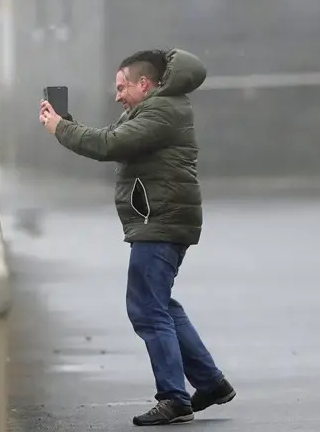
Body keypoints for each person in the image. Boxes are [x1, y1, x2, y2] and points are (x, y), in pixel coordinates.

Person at [39, 49, 236, 426]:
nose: (117, 96)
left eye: (121, 87)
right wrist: (67, 123)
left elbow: (109, 146)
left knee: (146, 309)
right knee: (160, 304)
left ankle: (175, 398)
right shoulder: (156, 109)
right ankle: (210, 383)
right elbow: (113, 138)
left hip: (160, 221)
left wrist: (60, 128)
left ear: (143, 84)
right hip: (162, 218)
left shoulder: (161, 111)